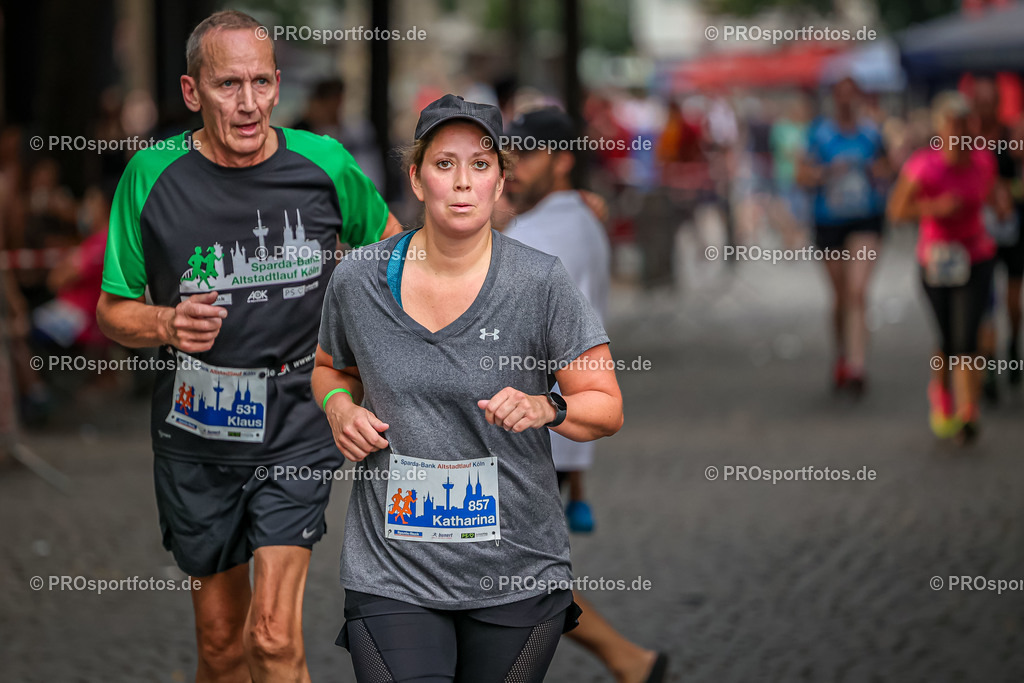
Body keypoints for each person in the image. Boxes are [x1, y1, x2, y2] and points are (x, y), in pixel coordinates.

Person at [96, 11, 401, 682]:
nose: (249, 103)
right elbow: (112, 311)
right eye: (229, 84)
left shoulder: (323, 164)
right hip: (195, 426)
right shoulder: (150, 176)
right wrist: (166, 326)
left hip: (296, 415)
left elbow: (394, 259)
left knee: (271, 638)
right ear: (190, 91)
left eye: (262, 82)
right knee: (221, 644)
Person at [313, 94, 624, 682]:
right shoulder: (357, 280)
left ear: (501, 181)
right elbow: (331, 368)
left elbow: (605, 406)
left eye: (481, 165)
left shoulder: (539, 281)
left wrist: (546, 405)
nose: (462, 183)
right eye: (444, 164)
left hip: (514, 570)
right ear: (416, 176)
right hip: (393, 569)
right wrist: (336, 408)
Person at [500, 106, 669, 683]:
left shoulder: (538, 234)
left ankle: (628, 659)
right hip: (561, 428)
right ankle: (629, 660)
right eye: (507, 155)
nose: (512, 167)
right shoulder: (581, 222)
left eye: (526, 155)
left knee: (513, 570)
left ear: (563, 160)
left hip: (531, 425)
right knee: (513, 567)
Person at [887, 91, 1008, 443]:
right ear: (941, 128)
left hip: (977, 255)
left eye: (964, 125)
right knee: (947, 340)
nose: (959, 132)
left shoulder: (982, 161)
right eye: (952, 125)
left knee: (968, 335)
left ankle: (968, 410)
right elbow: (896, 212)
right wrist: (934, 208)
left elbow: (992, 193)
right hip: (936, 261)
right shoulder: (924, 165)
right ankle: (941, 395)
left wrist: (1000, 204)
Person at [797, 77, 891, 395]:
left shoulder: (872, 133)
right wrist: (827, 172)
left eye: (852, 96)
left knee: (858, 291)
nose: (847, 101)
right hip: (829, 221)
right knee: (840, 296)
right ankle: (842, 352)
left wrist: (872, 170)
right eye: (841, 96)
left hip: (866, 218)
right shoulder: (819, 133)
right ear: (834, 99)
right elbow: (800, 175)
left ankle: (857, 365)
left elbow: (888, 169)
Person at [969, 77, 1023, 399]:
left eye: (990, 101)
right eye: (980, 100)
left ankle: (1013, 348)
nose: (985, 107)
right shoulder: (966, 139)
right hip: (979, 232)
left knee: (1012, 301)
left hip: (1013, 228)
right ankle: (989, 366)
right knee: (984, 300)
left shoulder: (1010, 137)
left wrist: (1007, 192)